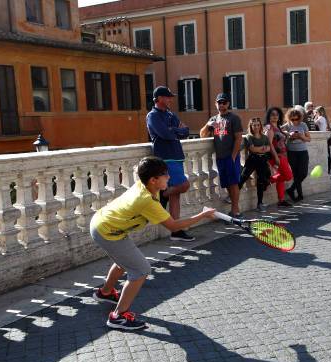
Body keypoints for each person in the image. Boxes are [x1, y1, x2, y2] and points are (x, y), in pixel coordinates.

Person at [91, 156, 216, 330]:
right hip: (108, 231)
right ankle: (118, 316)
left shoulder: (147, 186)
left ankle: (105, 292)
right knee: (141, 270)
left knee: (123, 262)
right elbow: (173, 225)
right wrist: (202, 215)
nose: (169, 177)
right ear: (153, 180)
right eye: (165, 174)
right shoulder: (146, 200)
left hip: (102, 223)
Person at [146, 86, 194, 241]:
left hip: (177, 157)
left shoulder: (170, 114)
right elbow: (164, 134)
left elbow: (186, 131)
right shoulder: (152, 116)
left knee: (177, 194)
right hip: (166, 158)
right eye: (167, 97)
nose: (170, 99)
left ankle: (176, 231)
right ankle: (162, 196)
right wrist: (176, 130)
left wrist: (174, 130)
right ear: (159, 98)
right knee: (184, 185)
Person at [200, 93, 244, 217]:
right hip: (220, 157)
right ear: (216, 104)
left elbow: (238, 138)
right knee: (227, 183)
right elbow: (202, 134)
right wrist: (208, 126)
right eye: (219, 102)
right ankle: (233, 209)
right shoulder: (213, 119)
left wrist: (233, 156)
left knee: (233, 182)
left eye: (224, 102)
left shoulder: (234, 118)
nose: (222, 105)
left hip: (231, 156)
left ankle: (236, 210)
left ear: (228, 104)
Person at [239, 118, 278, 211]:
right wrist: (262, 148)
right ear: (251, 126)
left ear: (260, 126)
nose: (256, 127)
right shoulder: (249, 136)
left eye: (258, 125)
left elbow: (268, 148)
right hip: (252, 159)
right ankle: (231, 196)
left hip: (262, 160)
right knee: (243, 177)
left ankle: (259, 204)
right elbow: (252, 149)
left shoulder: (264, 137)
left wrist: (260, 148)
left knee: (261, 181)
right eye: (254, 125)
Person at [264, 107, 293, 207]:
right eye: (272, 114)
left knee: (281, 178)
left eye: (277, 114)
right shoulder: (269, 127)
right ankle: (268, 181)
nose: (275, 116)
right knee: (288, 176)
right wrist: (276, 157)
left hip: (283, 155)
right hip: (277, 156)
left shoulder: (278, 127)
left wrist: (285, 133)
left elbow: (279, 138)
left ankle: (281, 200)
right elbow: (270, 143)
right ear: (269, 116)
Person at [282, 108, 311, 202]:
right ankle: (300, 195)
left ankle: (291, 189)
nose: (295, 121)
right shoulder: (286, 126)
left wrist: (301, 136)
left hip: (302, 151)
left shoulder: (303, 125)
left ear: (300, 118)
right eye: (292, 119)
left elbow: (309, 139)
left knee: (303, 173)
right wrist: (288, 135)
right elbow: (278, 131)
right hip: (291, 152)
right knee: (296, 174)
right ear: (289, 118)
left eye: (297, 119)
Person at [314, 106, 331, 173]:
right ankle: (328, 170)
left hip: (322, 138)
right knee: (327, 153)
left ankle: (325, 169)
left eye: (316, 112)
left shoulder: (320, 118)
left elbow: (314, 123)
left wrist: (315, 116)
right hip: (325, 137)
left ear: (319, 112)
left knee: (324, 154)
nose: (315, 113)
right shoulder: (324, 118)